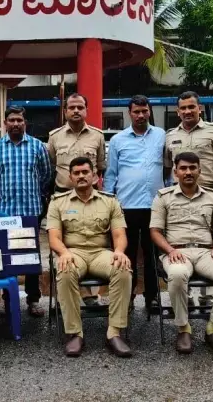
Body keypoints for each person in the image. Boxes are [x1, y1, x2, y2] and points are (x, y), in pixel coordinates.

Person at [150, 152, 213, 355]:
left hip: (205, 252)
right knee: (177, 274)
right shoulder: (163, 197)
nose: (188, 172)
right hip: (176, 251)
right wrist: (170, 250)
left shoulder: (212, 197)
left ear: (199, 170)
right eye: (183, 168)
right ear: (176, 172)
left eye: (192, 168)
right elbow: (155, 231)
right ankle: (183, 328)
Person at [47, 157, 133, 357]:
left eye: (85, 172)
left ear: (94, 176)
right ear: (70, 177)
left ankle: (114, 332)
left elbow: (119, 234)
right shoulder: (58, 202)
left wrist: (119, 251)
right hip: (73, 252)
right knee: (65, 270)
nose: (81, 176)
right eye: (76, 173)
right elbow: (54, 238)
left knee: (122, 268)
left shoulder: (109, 201)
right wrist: (64, 252)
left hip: (100, 253)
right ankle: (75, 333)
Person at [164, 91, 213, 307]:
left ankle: (206, 295)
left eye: (191, 107)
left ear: (199, 108)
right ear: (177, 111)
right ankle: (185, 294)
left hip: (209, 195)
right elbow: (167, 168)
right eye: (183, 108)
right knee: (182, 241)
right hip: (179, 197)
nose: (187, 111)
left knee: (210, 244)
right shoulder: (170, 135)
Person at [0, 106, 52, 317]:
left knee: (31, 257)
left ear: (25, 123)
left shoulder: (37, 146)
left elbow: (46, 176)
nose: (15, 124)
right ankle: (9, 301)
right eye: (12, 120)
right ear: (5, 123)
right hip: (5, 214)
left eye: (19, 120)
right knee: (8, 259)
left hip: (31, 212)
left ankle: (33, 300)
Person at [104, 95, 165, 311]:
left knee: (152, 255)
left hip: (154, 206)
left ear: (150, 112)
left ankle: (152, 297)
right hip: (125, 206)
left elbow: (167, 168)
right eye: (136, 112)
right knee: (126, 254)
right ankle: (127, 296)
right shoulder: (118, 140)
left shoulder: (161, 136)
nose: (141, 115)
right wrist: (108, 203)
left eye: (144, 111)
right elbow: (111, 174)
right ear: (129, 113)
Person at [47, 93, 107, 306]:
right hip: (63, 197)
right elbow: (51, 166)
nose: (76, 111)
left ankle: (91, 293)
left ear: (86, 110)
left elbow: (101, 167)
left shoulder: (97, 136)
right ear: (65, 111)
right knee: (64, 244)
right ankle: (71, 295)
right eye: (71, 107)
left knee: (90, 240)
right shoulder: (55, 137)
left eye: (80, 107)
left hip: (91, 197)